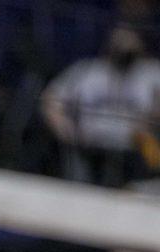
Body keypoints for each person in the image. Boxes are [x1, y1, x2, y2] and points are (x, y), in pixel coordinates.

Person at [40, 25, 160, 186]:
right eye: (120, 39)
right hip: (90, 148)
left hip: (134, 151)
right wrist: (67, 130)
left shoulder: (151, 72)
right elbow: (51, 99)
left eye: (130, 39)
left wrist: (152, 118)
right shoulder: (88, 70)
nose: (125, 44)